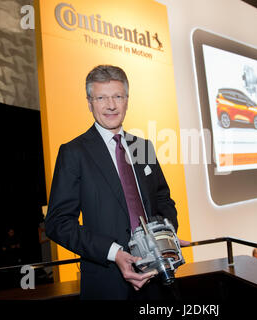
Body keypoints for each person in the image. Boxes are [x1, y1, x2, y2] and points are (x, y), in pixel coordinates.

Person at [45, 65, 187, 300]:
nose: (111, 105)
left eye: (117, 97)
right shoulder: (74, 152)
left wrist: (166, 235)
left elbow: (163, 199)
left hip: (159, 280)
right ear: (90, 103)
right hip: (108, 284)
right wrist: (114, 252)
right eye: (101, 97)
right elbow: (57, 223)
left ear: (127, 101)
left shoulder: (143, 147)